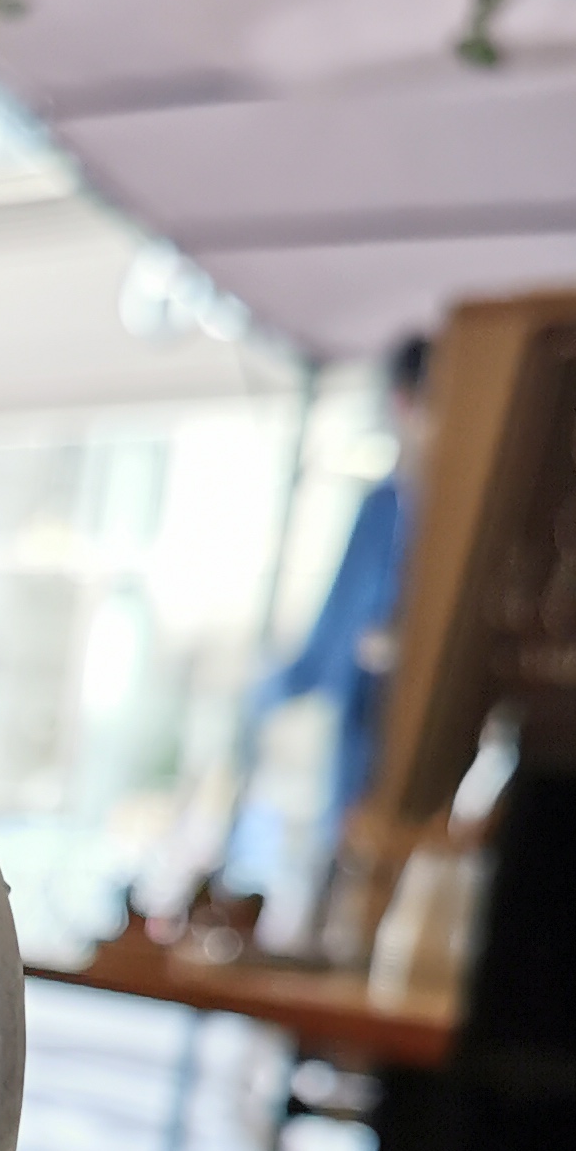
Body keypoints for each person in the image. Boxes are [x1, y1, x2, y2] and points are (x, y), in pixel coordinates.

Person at [243, 332, 433, 857]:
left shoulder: (397, 507)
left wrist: (268, 689)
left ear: (399, 401)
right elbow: (340, 638)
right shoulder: (392, 505)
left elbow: (333, 639)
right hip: (369, 771)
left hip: (386, 768)